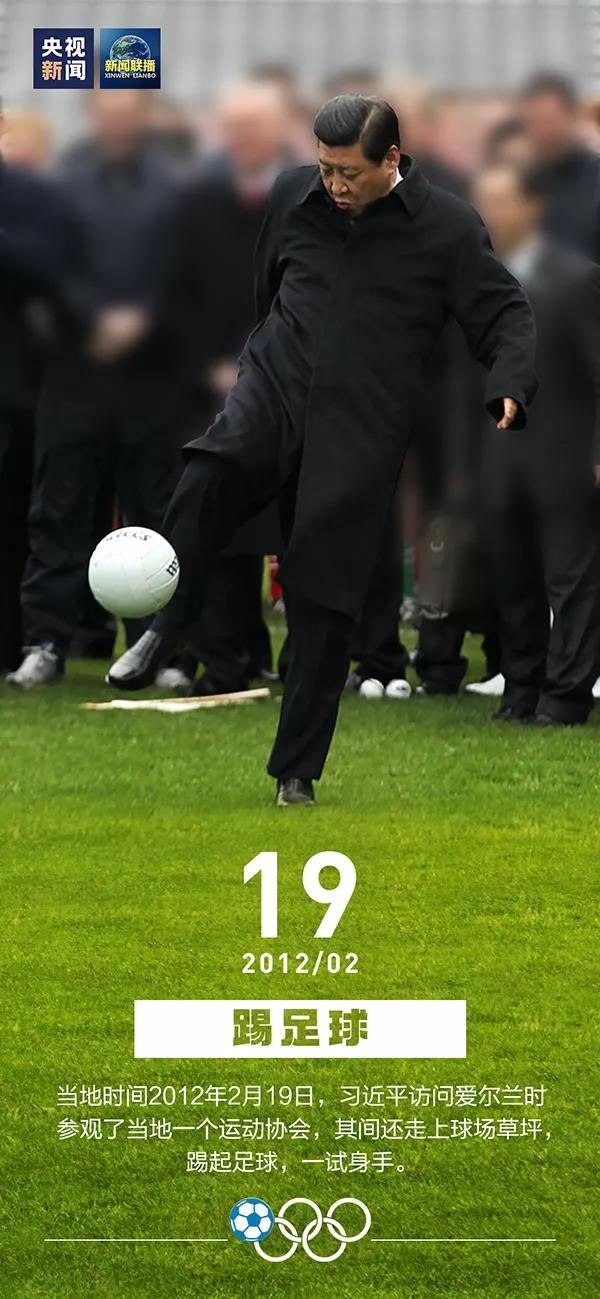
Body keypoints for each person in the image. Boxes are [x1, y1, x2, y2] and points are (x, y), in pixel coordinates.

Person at [108, 94, 537, 805]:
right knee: (214, 465)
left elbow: (504, 310)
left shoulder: (448, 226)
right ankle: (165, 629)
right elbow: (268, 284)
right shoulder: (293, 195)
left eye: (349, 174)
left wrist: (510, 384)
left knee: (323, 591)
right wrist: (261, 357)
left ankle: (296, 771)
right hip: (276, 380)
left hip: (362, 423)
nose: (333, 185)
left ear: (391, 160)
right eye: (325, 168)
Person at [8, 90, 188, 689]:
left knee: (155, 511)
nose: (118, 124)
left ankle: (155, 648)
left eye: (128, 114)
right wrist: (93, 321)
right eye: (108, 114)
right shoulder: (63, 186)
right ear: (93, 117)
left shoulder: (171, 188)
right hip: (75, 371)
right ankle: (45, 643)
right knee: (57, 510)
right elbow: (48, 268)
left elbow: (181, 269)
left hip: (150, 376)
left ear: (143, 118)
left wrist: (142, 320)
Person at [475, 161, 600, 725]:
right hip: (500, 459)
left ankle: (566, 695)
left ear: (533, 207)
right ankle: (521, 689)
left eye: (502, 202)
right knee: (512, 581)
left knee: (570, 581)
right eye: (484, 203)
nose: (491, 214)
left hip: (566, 457)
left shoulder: (578, 279)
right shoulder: (478, 280)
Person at [520, 72, 600, 263]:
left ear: (575, 116)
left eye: (550, 122)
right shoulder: (523, 184)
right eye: (535, 123)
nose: (543, 134)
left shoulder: (596, 179)